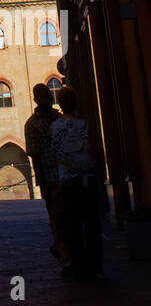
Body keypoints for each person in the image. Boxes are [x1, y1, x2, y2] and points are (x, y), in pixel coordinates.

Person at [50, 86, 105, 281]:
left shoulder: (55, 127)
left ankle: (78, 267)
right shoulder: (85, 124)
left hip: (68, 180)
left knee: (72, 225)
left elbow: (55, 154)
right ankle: (95, 268)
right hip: (88, 178)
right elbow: (94, 147)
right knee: (92, 224)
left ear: (61, 104)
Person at [24, 82, 68, 263]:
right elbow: (34, 155)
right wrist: (41, 182)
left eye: (49, 96)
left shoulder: (59, 118)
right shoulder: (32, 124)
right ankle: (63, 253)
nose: (48, 100)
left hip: (67, 175)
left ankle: (65, 249)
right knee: (57, 217)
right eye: (44, 97)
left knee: (68, 216)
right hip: (51, 178)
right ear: (36, 100)